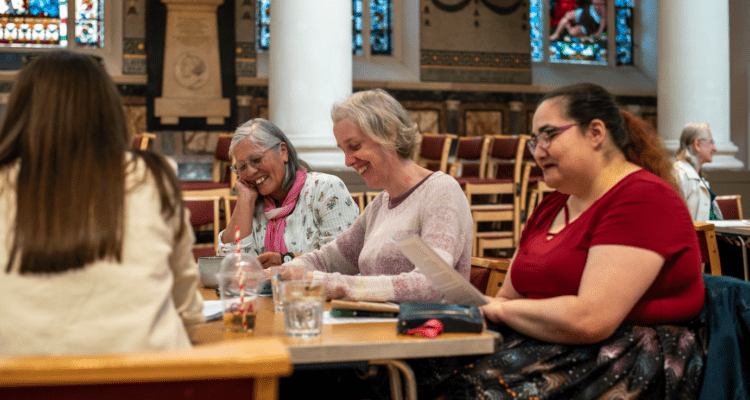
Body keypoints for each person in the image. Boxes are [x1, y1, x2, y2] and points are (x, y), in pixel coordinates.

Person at [414, 83, 707, 399]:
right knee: (410, 366)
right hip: (552, 342)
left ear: (595, 133)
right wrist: (487, 311)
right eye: (534, 141)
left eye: (549, 135)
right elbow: (509, 297)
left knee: (466, 390)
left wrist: (496, 311)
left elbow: (591, 319)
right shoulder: (552, 205)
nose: (538, 151)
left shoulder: (643, 198)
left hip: (626, 354)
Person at [0, 50, 204, 355]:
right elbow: (187, 308)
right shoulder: (152, 177)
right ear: (108, 110)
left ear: (20, 112)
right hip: (148, 381)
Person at [280, 89, 473, 303]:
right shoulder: (380, 204)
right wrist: (288, 270)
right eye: (343, 150)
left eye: (354, 147)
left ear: (389, 133)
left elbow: (434, 284)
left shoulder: (441, 192)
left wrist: (341, 285)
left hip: (427, 331)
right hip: (380, 329)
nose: (348, 161)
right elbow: (327, 260)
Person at [217, 118, 359, 268]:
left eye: (256, 159)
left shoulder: (325, 188)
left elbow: (345, 260)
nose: (250, 171)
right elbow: (230, 267)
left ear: (283, 152)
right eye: (242, 167)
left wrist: (286, 260)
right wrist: (245, 200)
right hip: (264, 291)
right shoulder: (253, 202)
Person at [673, 122, 722, 221]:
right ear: (697, 144)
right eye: (711, 142)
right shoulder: (681, 175)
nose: (715, 148)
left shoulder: (694, 174)